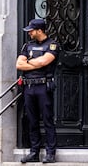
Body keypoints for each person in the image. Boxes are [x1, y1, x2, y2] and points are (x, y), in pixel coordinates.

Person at [16, 18, 59, 163]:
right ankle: (34, 152)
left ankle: (50, 153)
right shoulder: (27, 45)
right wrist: (35, 63)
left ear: (39, 30)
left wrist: (28, 61)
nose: (29, 33)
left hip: (43, 87)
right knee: (32, 121)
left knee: (47, 120)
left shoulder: (52, 45)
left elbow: (44, 61)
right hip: (28, 87)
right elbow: (19, 65)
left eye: (31, 30)